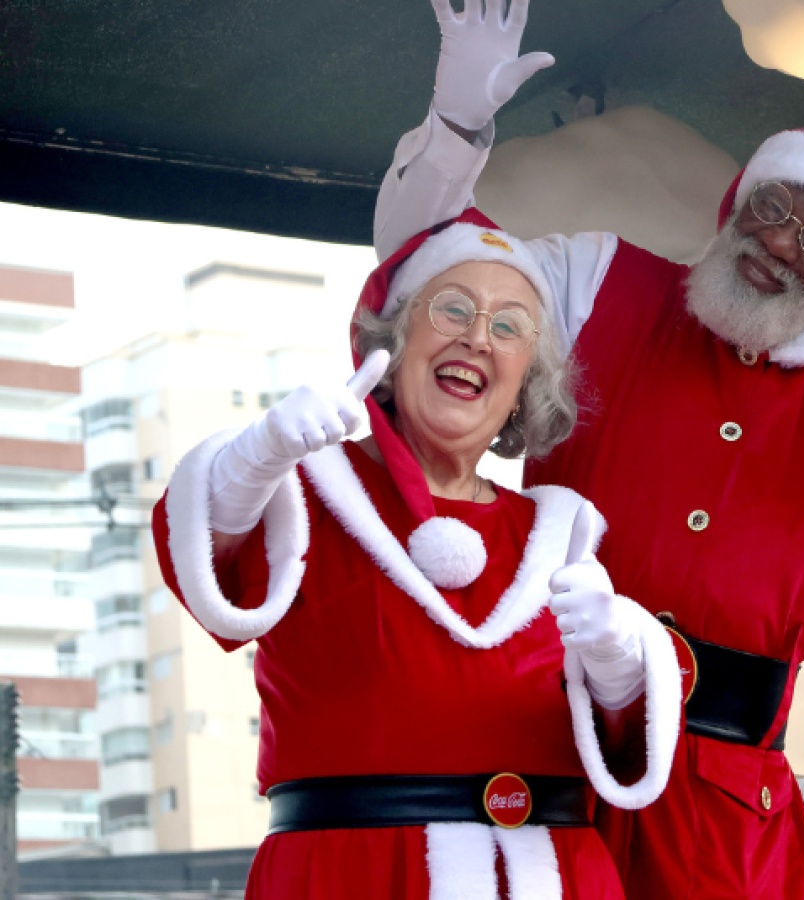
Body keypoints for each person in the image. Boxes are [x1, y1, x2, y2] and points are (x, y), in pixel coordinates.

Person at [370, 2, 804, 897]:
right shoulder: (597, 278)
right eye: (772, 208)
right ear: (734, 203)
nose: (780, 244)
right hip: (546, 749)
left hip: (723, 808)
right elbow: (431, 273)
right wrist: (458, 125)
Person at [151, 221, 683, 900]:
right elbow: (200, 562)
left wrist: (619, 664)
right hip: (353, 877)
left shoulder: (563, 535)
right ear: (393, 341)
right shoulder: (305, 495)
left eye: (510, 326)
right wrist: (254, 458)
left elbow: (624, 756)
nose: (478, 336)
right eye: (453, 308)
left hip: (554, 876)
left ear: (526, 382)